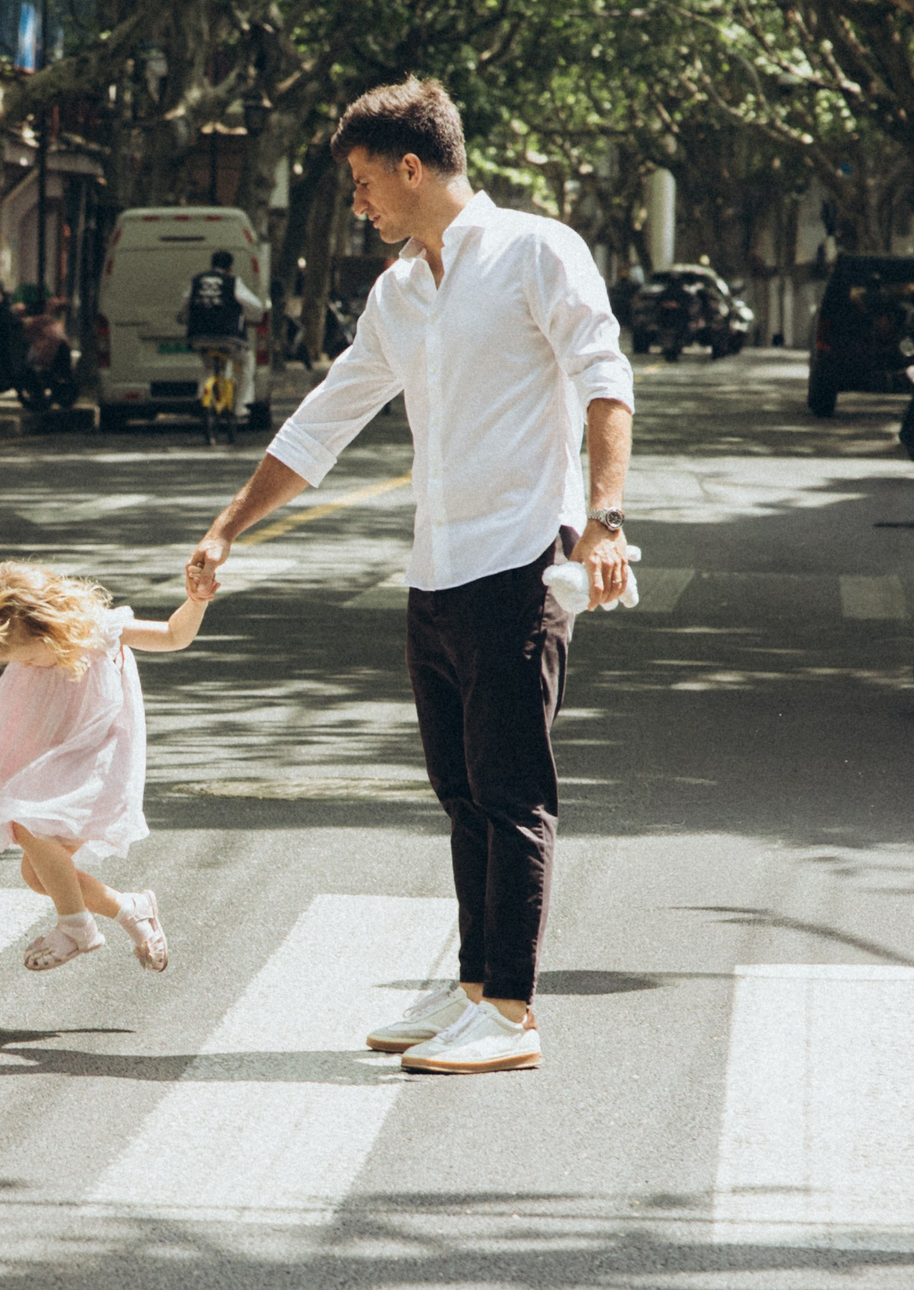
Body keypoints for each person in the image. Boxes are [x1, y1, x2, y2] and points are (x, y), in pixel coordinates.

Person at [183, 78, 634, 1076]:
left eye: (361, 181)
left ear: (412, 167)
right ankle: (473, 983)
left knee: (512, 789)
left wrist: (602, 518)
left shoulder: (534, 250)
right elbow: (327, 419)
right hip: (436, 568)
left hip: (521, 557)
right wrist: (229, 524)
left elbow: (605, 378)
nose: (357, 201)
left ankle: (511, 1010)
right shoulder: (399, 291)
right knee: (459, 788)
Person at [0, 528, 201, 972]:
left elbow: (172, 635)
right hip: (52, 752)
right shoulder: (14, 618)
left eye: (29, 658)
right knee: (38, 874)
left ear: (53, 632)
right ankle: (132, 909)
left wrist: (197, 600)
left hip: (94, 754)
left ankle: (76, 928)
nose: (23, 666)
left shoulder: (98, 631)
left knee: (25, 819)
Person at [180, 251, 265, 379]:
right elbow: (256, 305)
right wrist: (255, 317)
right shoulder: (233, 282)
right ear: (230, 267)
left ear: (211, 264)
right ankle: (244, 399)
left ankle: (202, 395)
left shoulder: (196, 281)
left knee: (208, 367)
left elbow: (185, 303)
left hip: (198, 337)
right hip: (228, 338)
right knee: (247, 360)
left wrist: (183, 318)